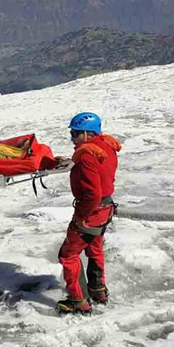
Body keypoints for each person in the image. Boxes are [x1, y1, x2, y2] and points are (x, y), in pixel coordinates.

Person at [56, 112, 122, 314]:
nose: (72, 138)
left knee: (68, 255)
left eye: (75, 134)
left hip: (92, 212)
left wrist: (80, 218)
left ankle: (78, 300)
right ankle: (97, 289)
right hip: (106, 209)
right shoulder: (106, 146)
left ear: (86, 133)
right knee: (94, 248)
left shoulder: (87, 155)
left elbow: (92, 194)